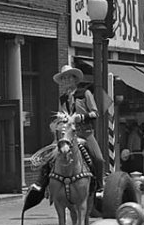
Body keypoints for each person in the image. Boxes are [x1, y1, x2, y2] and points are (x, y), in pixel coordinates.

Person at [28, 65, 105, 199]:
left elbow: (95, 113)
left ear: (75, 79)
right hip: (68, 134)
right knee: (50, 156)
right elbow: (62, 114)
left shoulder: (85, 93)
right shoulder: (62, 98)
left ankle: (99, 186)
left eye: (68, 77)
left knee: (98, 158)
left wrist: (80, 117)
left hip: (85, 133)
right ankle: (41, 183)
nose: (66, 80)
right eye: (63, 78)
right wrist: (58, 121)